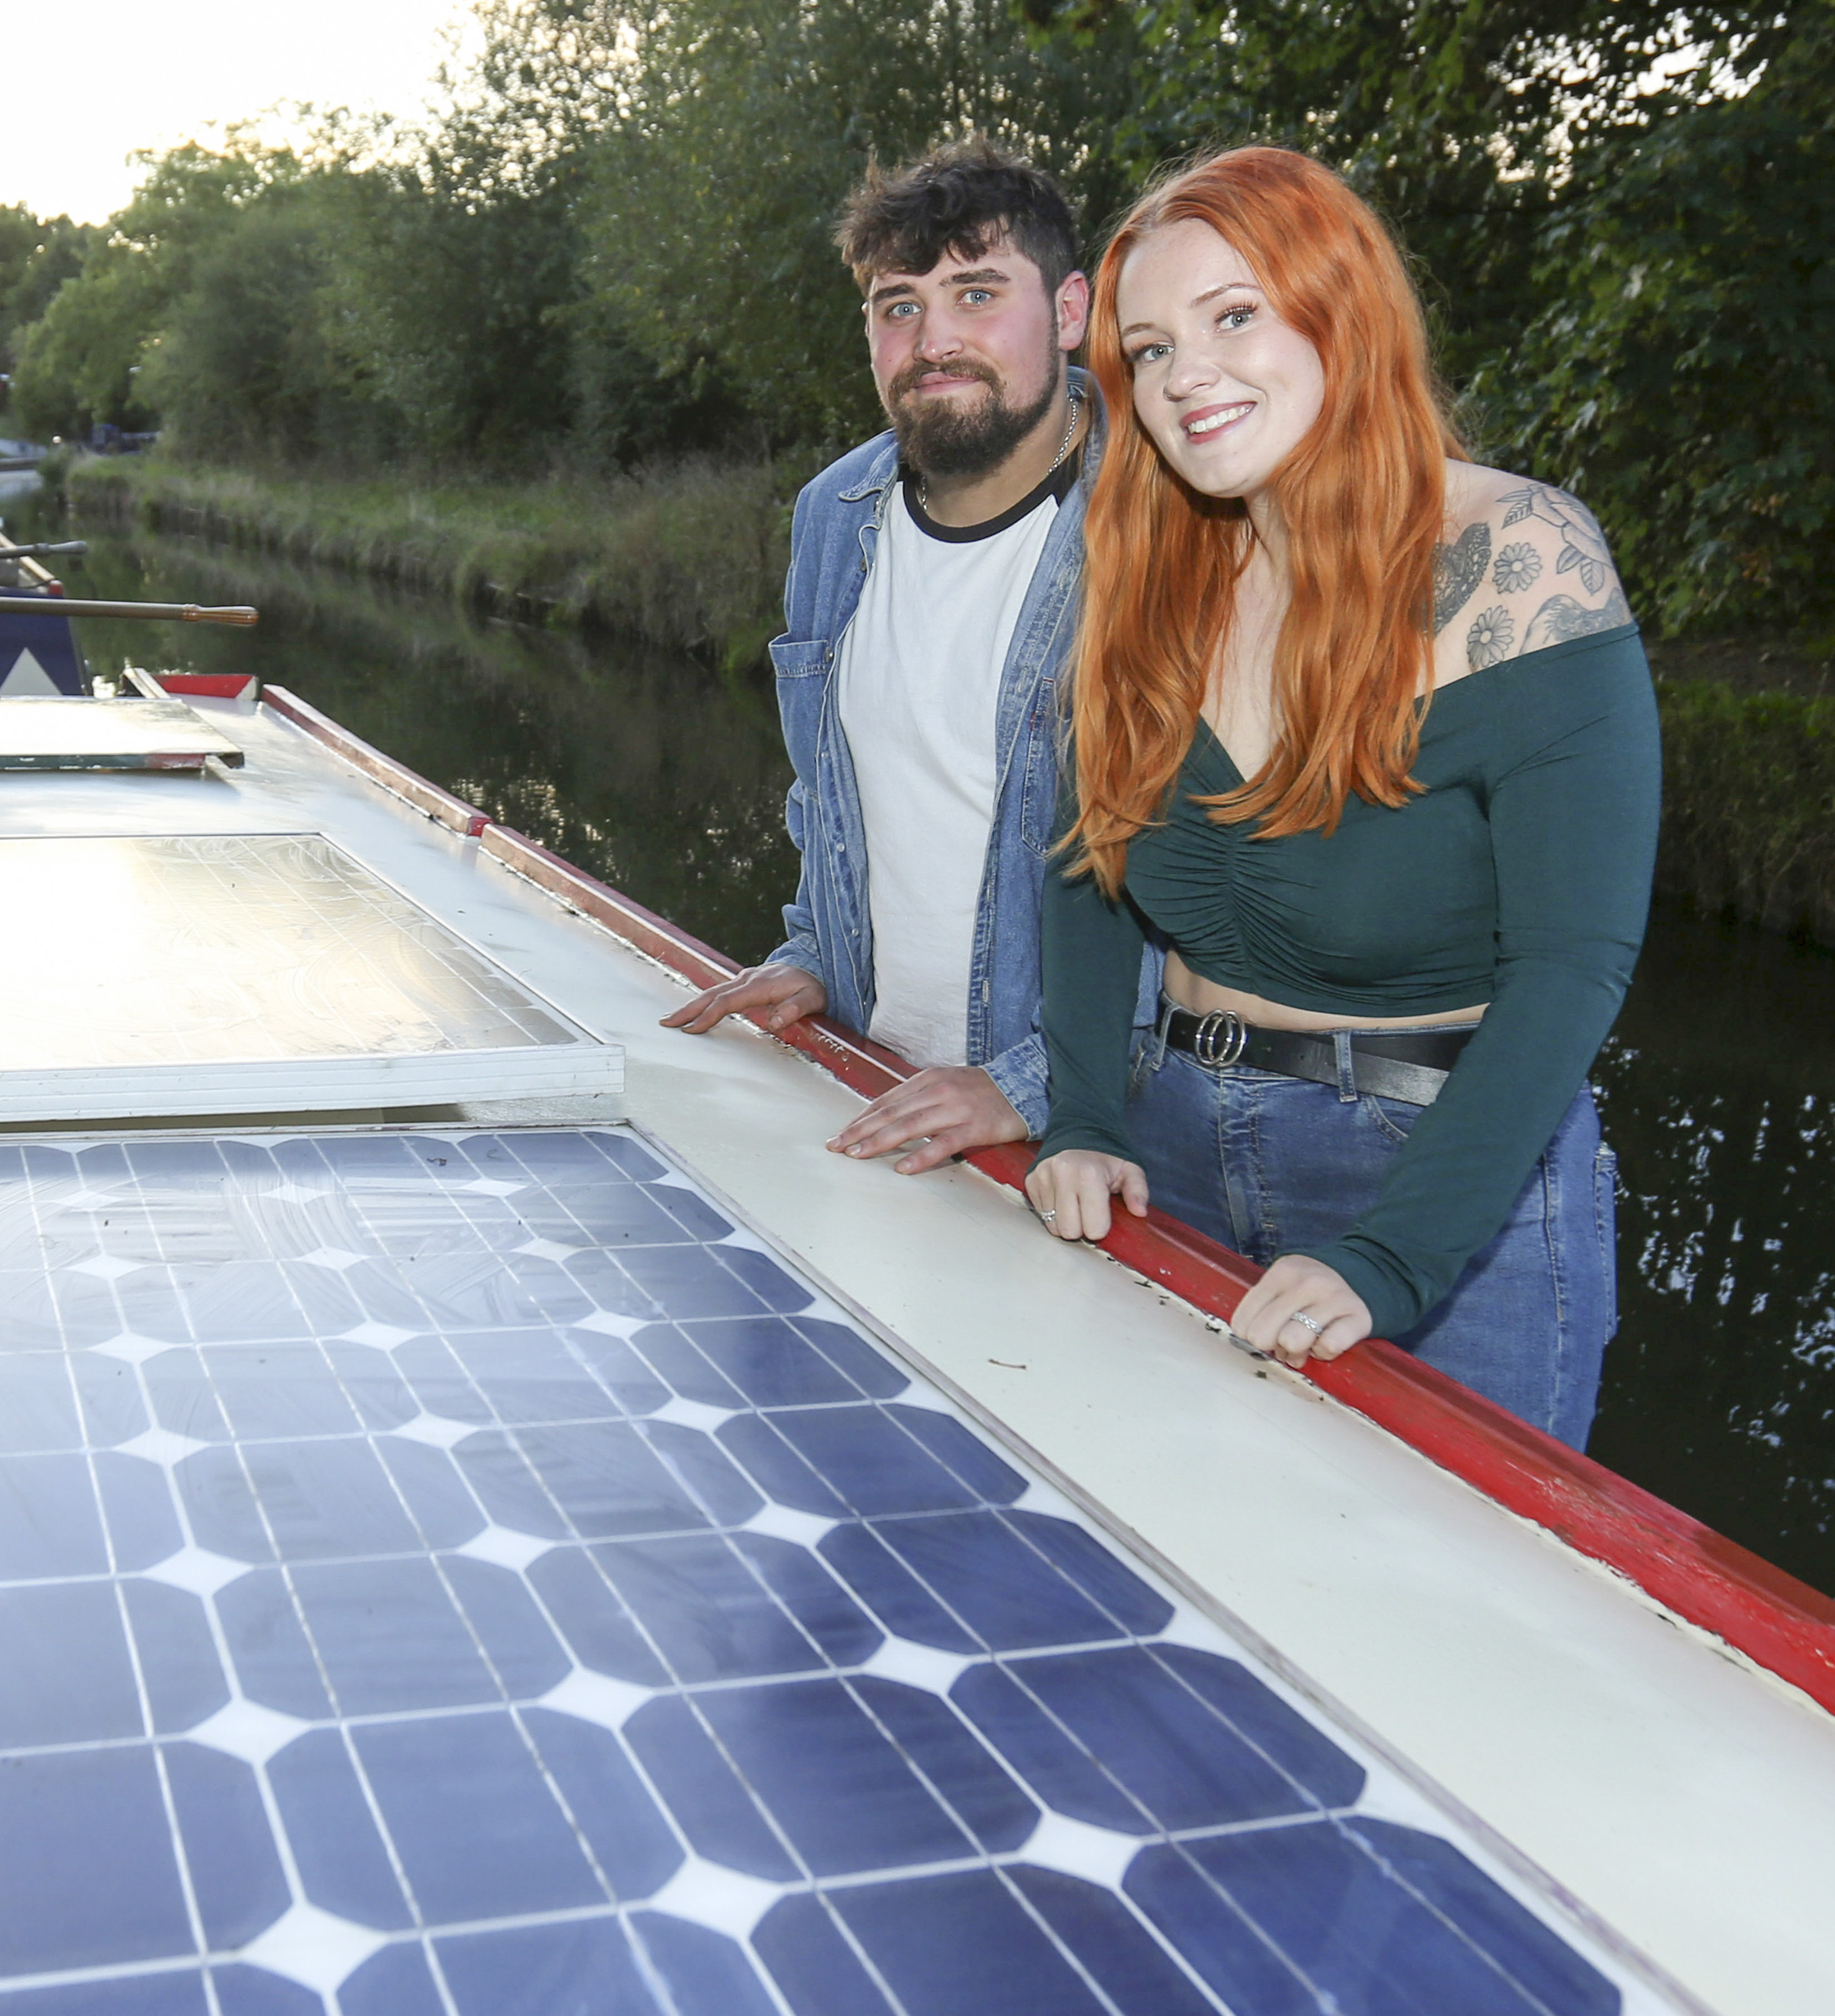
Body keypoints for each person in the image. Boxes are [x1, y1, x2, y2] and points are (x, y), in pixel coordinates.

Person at [1025, 146, 1657, 1447]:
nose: (1185, 372)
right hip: (1173, 1146)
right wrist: (1081, 1115)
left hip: (1442, 1181)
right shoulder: (1144, 575)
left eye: (1233, 315)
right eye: (1146, 348)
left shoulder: (1517, 563)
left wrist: (1395, 1259)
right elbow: (1084, 864)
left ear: (1339, 309)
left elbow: (1571, 963)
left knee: (1450, 1621)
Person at [663, 140, 1105, 1173]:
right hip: (881, 1092)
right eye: (899, 305)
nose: (934, 340)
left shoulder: (1169, 524)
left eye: (978, 293)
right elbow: (832, 793)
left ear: (1072, 311)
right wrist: (818, 955)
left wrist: (1032, 1079)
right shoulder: (835, 515)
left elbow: (1204, 877)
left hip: (1074, 1135)